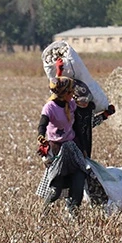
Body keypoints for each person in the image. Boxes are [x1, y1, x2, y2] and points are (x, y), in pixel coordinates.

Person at [35, 76, 88, 217]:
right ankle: (43, 214)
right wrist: (41, 137)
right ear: (64, 93)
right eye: (71, 92)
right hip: (57, 149)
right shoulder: (50, 107)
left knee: (78, 181)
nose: (73, 94)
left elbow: (77, 126)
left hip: (73, 148)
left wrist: (82, 147)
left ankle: (73, 215)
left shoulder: (71, 104)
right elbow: (42, 125)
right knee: (55, 190)